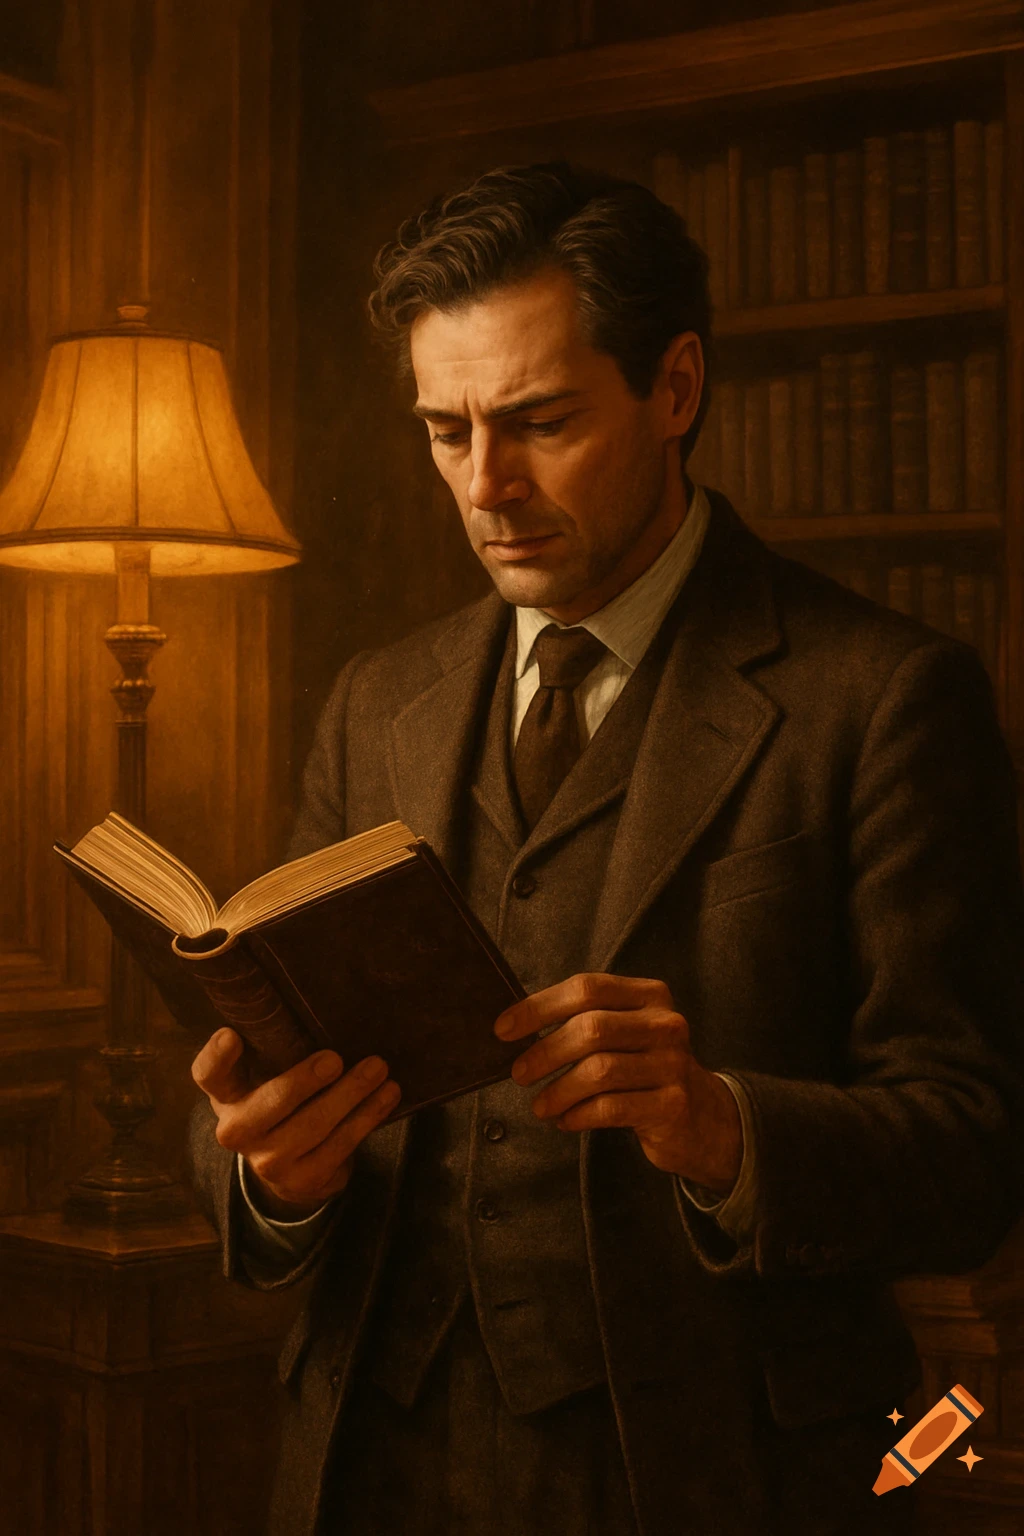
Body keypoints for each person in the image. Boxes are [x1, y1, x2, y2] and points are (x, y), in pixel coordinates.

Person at [188, 162, 1024, 1536]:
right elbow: (260, 1082)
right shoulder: (373, 700)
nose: (486, 486)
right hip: (369, 1466)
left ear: (676, 389)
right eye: (444, 431)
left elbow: (977, 1152)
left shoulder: (883, 697)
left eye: (538, 422)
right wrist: (266, 1178)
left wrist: (721, 1125)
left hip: (711, 1476)